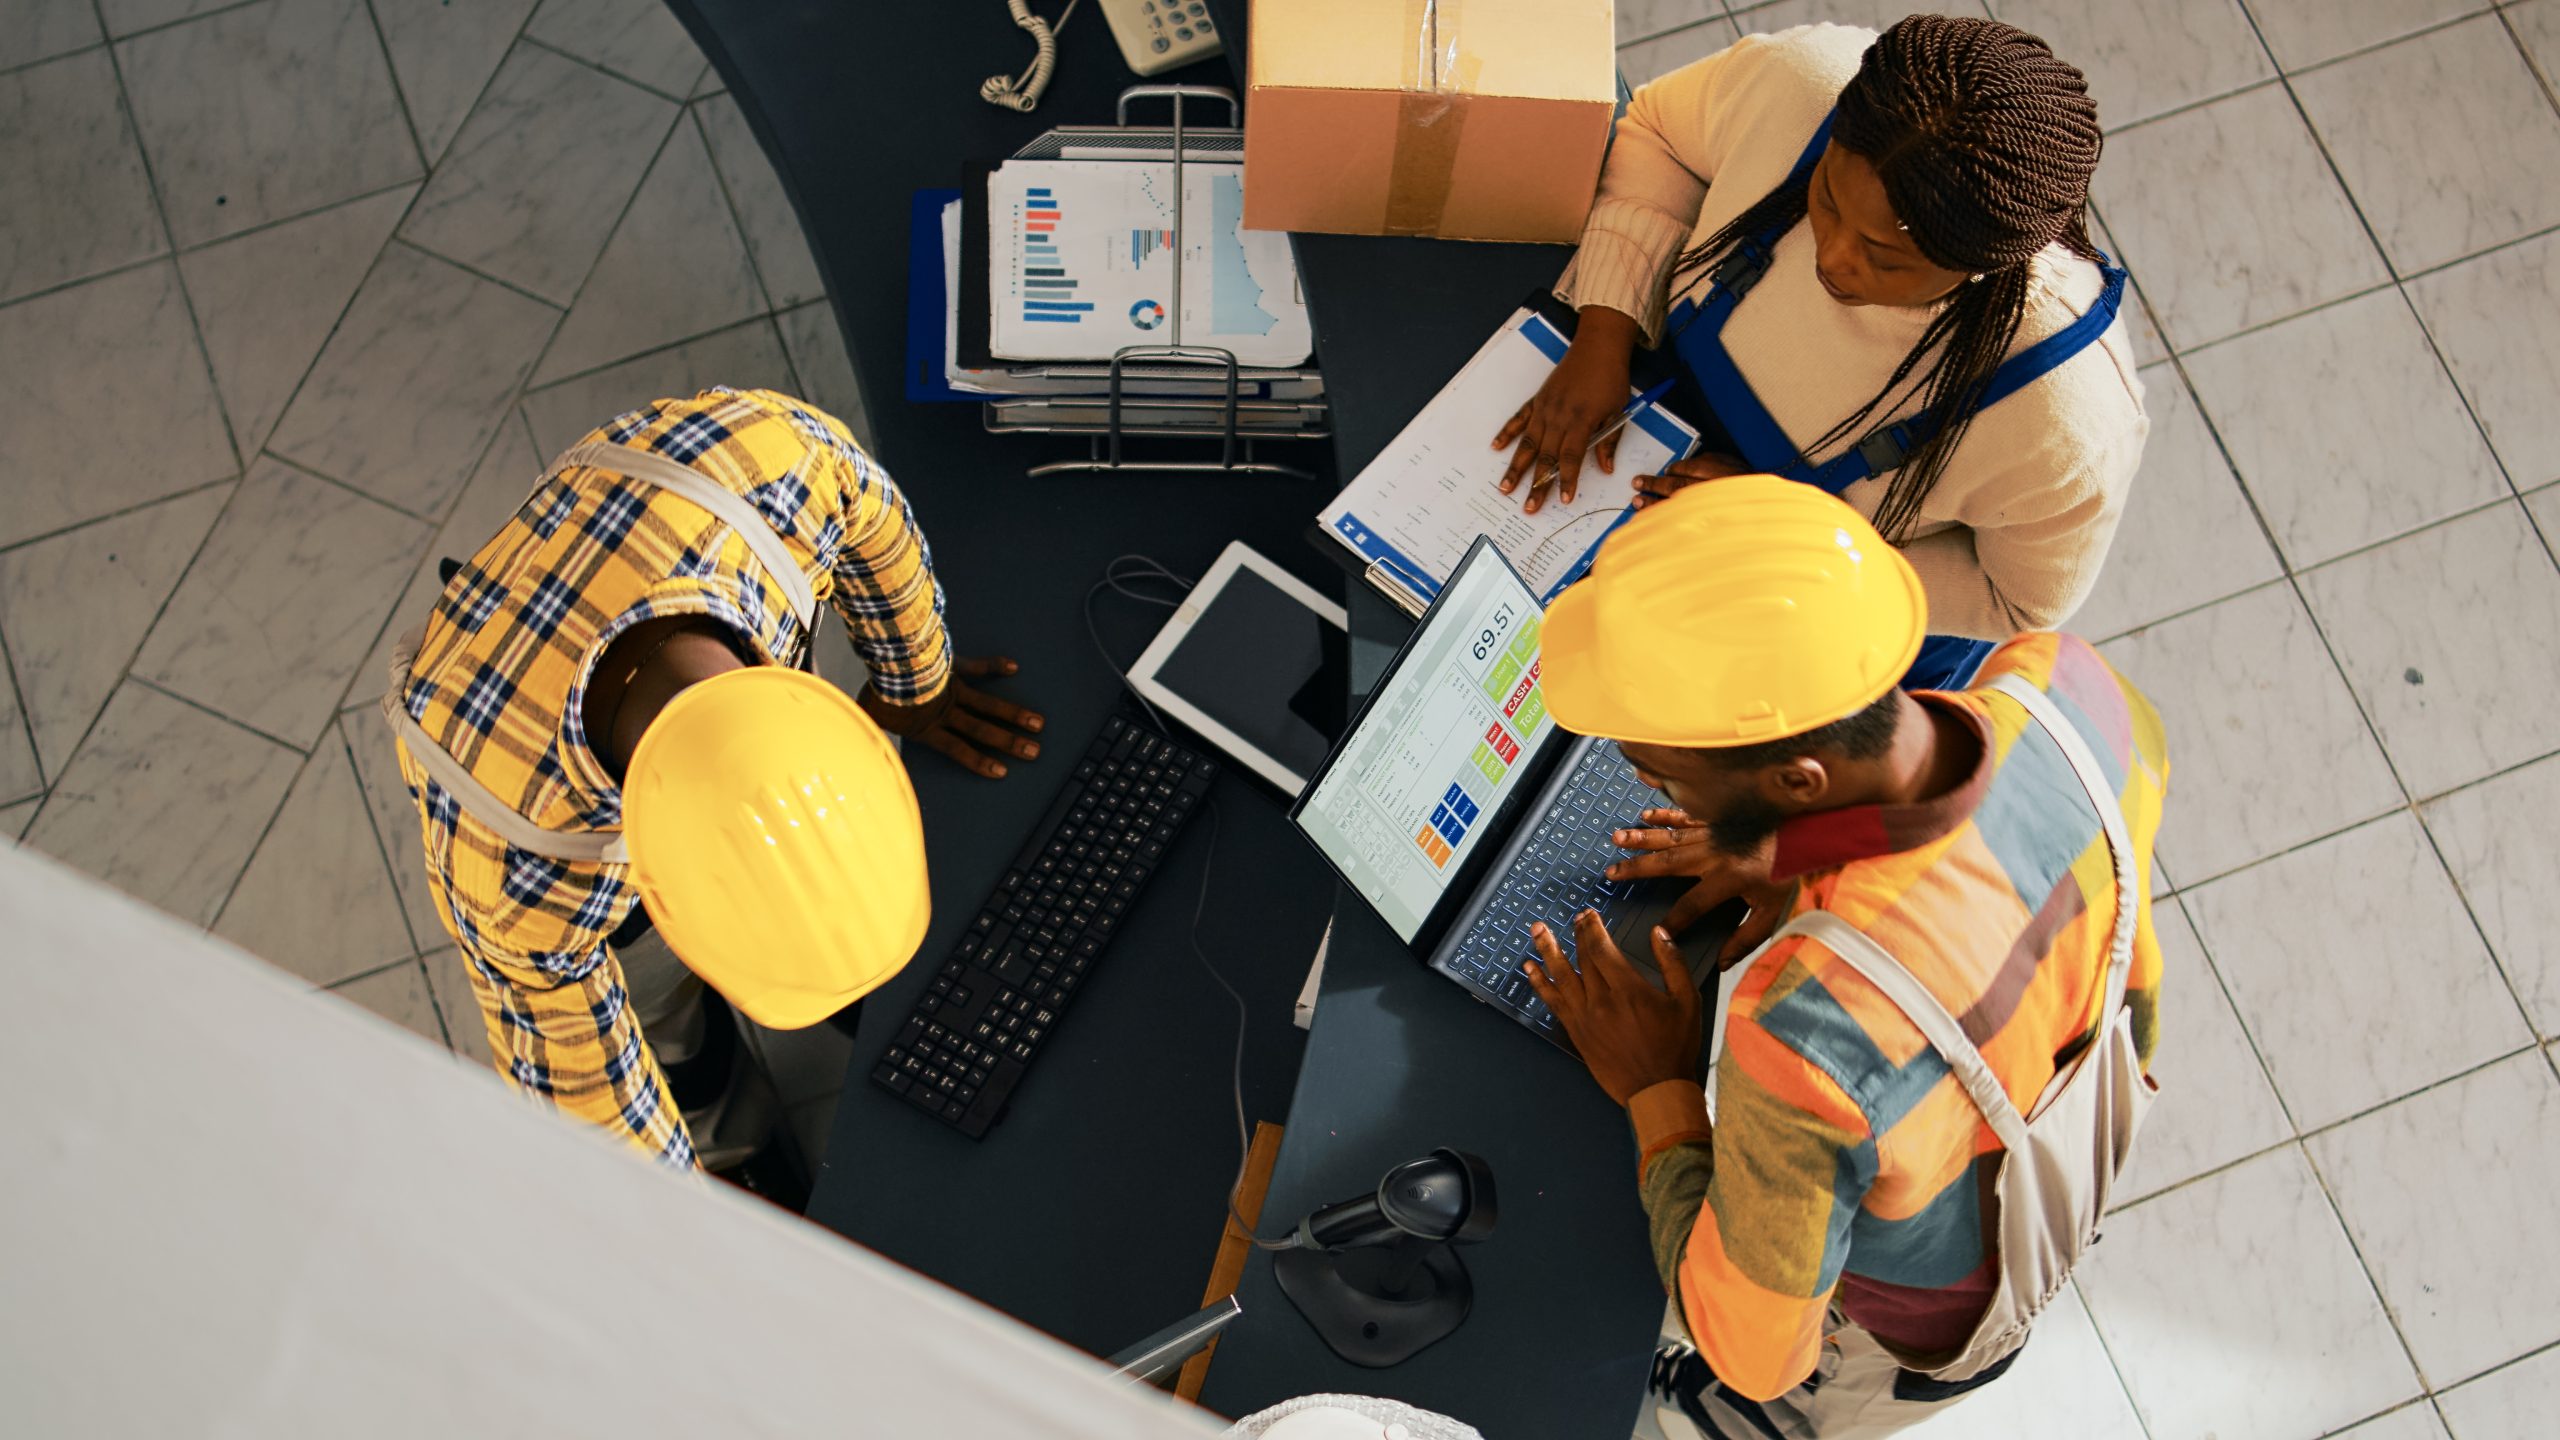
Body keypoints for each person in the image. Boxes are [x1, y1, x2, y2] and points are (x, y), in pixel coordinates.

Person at [1520, 478, 2168, 1437]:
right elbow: (1995, 872)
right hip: (2064, 1110)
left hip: (1918, 1315)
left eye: (1664, 774)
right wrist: (1790, 856)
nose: (1654, 788)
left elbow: (1753, 1354)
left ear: (1795, 779)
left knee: (1771, 1392)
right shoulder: (2072, 689)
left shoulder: (1804, 1034)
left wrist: (1655, 1085)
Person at [382, 387, 1041, 1193]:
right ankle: (733, 1139)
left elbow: (872, 518)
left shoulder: (765, 469)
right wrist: (688, 1220)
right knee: (666, 1024)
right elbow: (592, 1101)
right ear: (660, 888)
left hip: (635, 549)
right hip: (507, 734)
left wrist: (915, 686)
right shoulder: (511, 867)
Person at [1496, 15, 2147, 690]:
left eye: (1886, 260)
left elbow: (2019, 600)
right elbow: (1661, 133)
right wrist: (1606, 330)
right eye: (1828, 200)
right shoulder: (1802, 85)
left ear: (1977, 268)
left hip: (1820, 589)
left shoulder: (2063, 421)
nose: (1832, 258)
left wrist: (1795, 540)